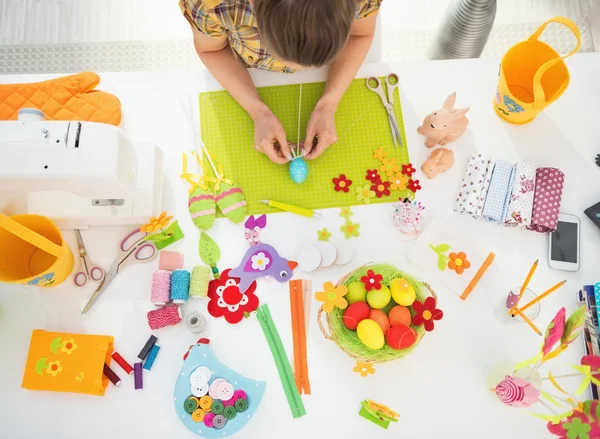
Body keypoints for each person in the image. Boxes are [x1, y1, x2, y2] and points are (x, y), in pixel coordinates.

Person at [180, 0, 382, 164]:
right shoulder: (210, 5)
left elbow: (361, 34)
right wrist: (258, 112)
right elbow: (212, 49)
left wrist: (329, 104)